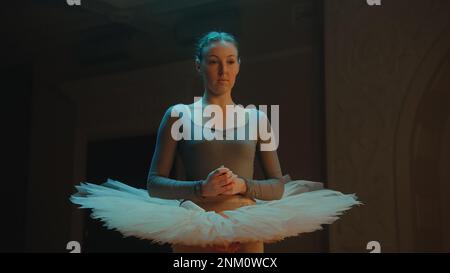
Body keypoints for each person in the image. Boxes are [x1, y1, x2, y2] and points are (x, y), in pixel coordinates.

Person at [70, 31, 360, 253]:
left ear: (238, 67)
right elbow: (154, 183)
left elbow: (278, 186)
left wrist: (244, 185)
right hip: (192, 226)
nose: (223, 71)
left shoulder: (257, 118)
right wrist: (200, 188)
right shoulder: (178, 115)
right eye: (213, 62)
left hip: (247, 225)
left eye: (230, 62)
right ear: (199, 66)